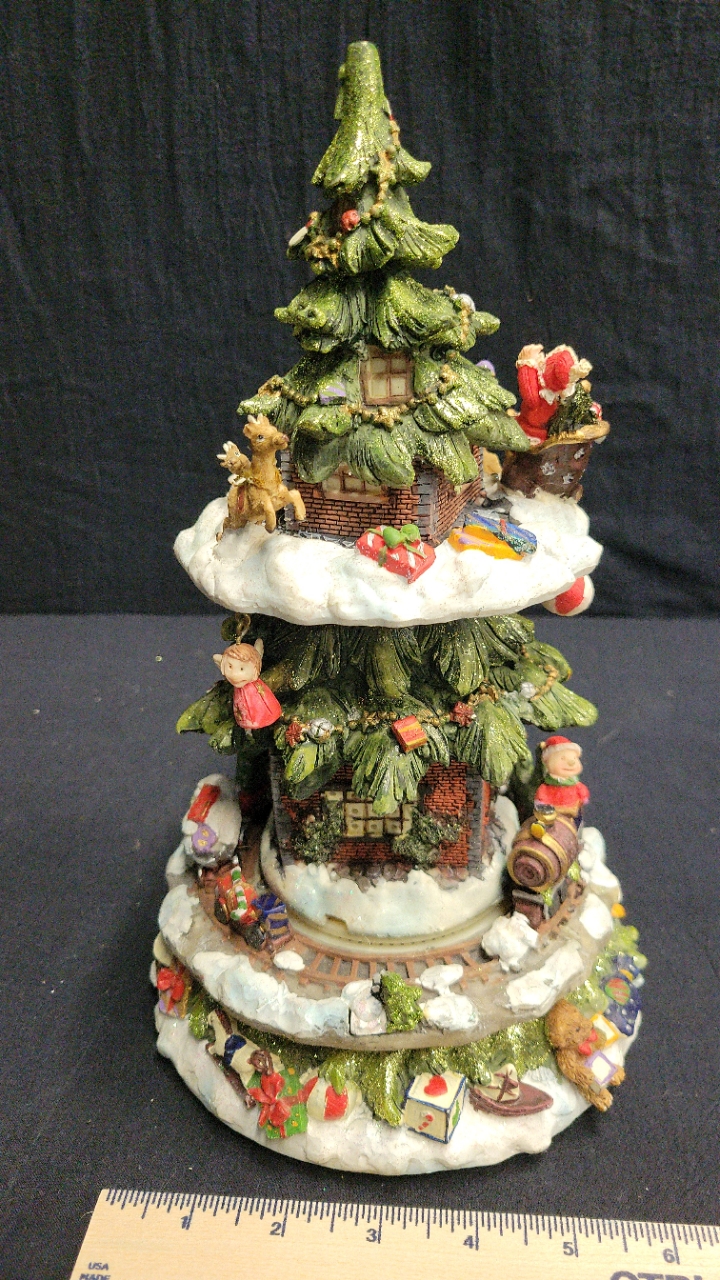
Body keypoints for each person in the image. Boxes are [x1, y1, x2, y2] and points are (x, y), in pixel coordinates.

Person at [213, 639, 282, 730]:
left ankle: (263, 717)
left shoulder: (255, 684)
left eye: (241, 669)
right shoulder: (238, 689)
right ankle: (246, 721)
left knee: (261, 704)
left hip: (256, 694)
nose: (235, 675)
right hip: (241, 704)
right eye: (230, 667)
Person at [534, 735, 590, 821]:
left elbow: (582, 792)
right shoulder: (547, 786)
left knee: (577, 822)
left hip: (574, 813)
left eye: (574, 758)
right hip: (553, 815)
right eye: (562, 758)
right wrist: (543, 805)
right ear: (547, 762)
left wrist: (582, 798)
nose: (571, 762)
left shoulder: (575, 784)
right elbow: (542, 797)